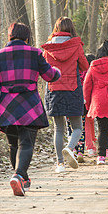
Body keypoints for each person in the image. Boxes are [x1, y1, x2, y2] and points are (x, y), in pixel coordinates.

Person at [0, 22, 61, 196]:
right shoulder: (35, 53)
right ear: (27, 37)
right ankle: (19, 175)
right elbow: (49, 76)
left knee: (13, 145)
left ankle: (22, 178)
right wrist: (58, 72)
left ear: (10, 36)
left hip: (7, 107)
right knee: (26, 144)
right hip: (29, 105)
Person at [42, 17, 89, 173]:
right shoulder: (76, 45)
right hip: (72, 89)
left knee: (58, 129)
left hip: (54, 89)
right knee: (77, 127)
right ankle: (69, 148)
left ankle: (60, 164)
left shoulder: (48, 48)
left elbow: (44, 69)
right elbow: (84, 66)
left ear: (56, 28)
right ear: (71, 28)